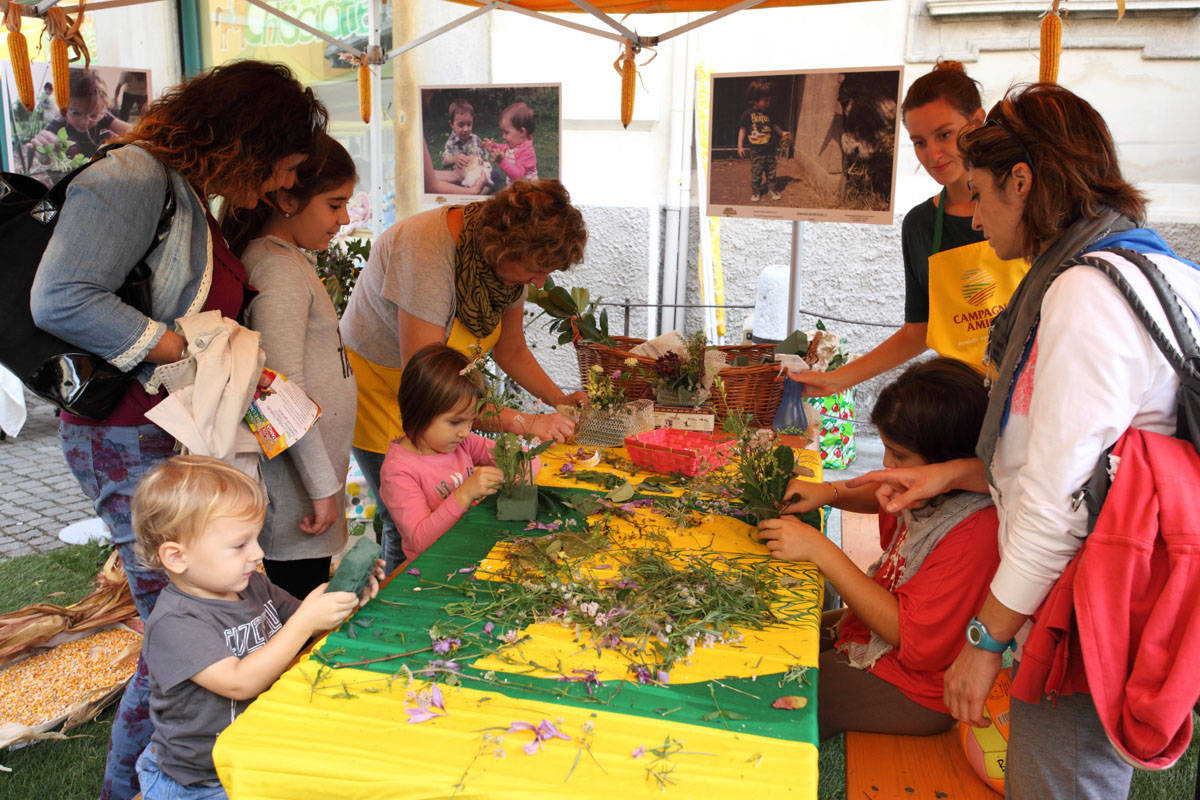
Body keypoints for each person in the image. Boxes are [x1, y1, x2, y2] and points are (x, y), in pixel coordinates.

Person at [850, 83, 1200, 798]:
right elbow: (1083, 456)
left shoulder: (1085, 293)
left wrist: (983, 642)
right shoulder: (1162, 265)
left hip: (1092, 595)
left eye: (979, 194)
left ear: (1023, 180)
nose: (973, 216)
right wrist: (951, 475)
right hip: (1128, 582)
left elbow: (1058, 500)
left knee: (1062, 777)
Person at [29, 60, 326, 800]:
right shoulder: (133, 177)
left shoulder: (183, 188)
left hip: (162, 427)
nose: (285, 187)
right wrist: (184, 349)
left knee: (193, 621)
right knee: (178, 633)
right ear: (250, 141)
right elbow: (61, 298)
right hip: (125, 434)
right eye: (286, 168)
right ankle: (138, 785)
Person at [340, 178, 587, 573]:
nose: (541, 282)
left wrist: (560, 402)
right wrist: (526, 422)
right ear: (505, 247)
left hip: (444, 397)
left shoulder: (503, 271)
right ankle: (403, 599)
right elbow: (435, 389)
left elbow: (512, 349)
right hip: (389, 389)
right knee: (406, 523)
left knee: (447, 505)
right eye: (538, 269)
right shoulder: (426, 254)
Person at [760, 357, 999, 740]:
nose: (888, 464)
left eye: (899, 456)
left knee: (770, 695)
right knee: (779, 633)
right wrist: (828, 493)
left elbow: (914, 641)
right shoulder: (937, 489)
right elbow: (884, 492)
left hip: (912, 689)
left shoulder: (975, 531)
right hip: (872, 639)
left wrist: (822, 551)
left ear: (946, 462)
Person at [130, 455, 380, 800]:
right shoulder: (176, 623)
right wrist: (307, 619)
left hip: (254, 757)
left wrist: (344, 598)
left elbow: (309, 634)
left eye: (256, 538)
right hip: (200, 782)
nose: (258, 553)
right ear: (176, 556)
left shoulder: (253, 587)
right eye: (239, 545)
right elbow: (239, 682)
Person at [794, 62, 1027, 396]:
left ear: (977, 121)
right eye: (919, 142)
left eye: (944, 135)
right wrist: (835, 379)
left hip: (1027, 397)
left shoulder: (1022, 208)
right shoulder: (920, 225)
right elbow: (919, 330)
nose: (932, 154)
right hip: (965, 402)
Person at [223, 133, 359, 600]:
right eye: (334, 204)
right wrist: (323, 487)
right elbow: (277, 391)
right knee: (294, 617)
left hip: (310, 484)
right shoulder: (276, 269)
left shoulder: (288, 261)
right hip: (297, 494)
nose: (344, 219)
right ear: (286, 198)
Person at [379, 345, 514, 561]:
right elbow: (419, 541)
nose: (465, 431)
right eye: (455, 421)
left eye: (471, 420)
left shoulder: (462, 443)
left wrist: (519, 463)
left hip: (472, 553)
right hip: (434, 571)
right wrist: (464, 494)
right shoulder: (399, 471)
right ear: (418, 410)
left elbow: (516, 456)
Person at [28, 69, 132, 158]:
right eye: (76, 113)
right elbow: (46, 148)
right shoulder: (58, 123)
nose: (85, 122)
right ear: (64, 107)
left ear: (102, 111)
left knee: (110, 136)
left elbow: (130, 130)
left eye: (93, 115)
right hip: (74, 168)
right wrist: (46, 153)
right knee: (70, 147)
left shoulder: (101, 114)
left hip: (97, 161)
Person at [737, 79, 790, 202]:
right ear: (755, 99)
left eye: (769, 100)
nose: (768, 103)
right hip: (756, 150)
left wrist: (782, 133)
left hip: (770, 149)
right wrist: (740, 146)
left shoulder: (769, 113)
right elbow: (742, 130)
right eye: (765, 100)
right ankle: (756, 191)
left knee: (771, 170)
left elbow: (774, 125)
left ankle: (772, 188)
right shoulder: (748, 114)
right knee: (757, 171)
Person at [441, 98, 499, 193]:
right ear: (451, 124)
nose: (466, 129)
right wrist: (455, 159)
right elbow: (444, 162)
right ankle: (473, 192)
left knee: (495, 174)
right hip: (461, 178)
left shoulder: (476, 139)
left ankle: (479, 194)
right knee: (449, 184)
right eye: (461, 125)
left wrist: (487, 170)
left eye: (469, 124)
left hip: (478, 175)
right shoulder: (450, 143)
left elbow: (485, 159)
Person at [482, 101, 538, 187]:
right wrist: (493, 147)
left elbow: (518, 176)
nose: (503, 136)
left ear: (521, 132)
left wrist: (501, 161)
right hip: (516, 186)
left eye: (506, 132)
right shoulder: (515, 145)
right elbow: (503, 148)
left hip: (527, 189)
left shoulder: (527, 152)